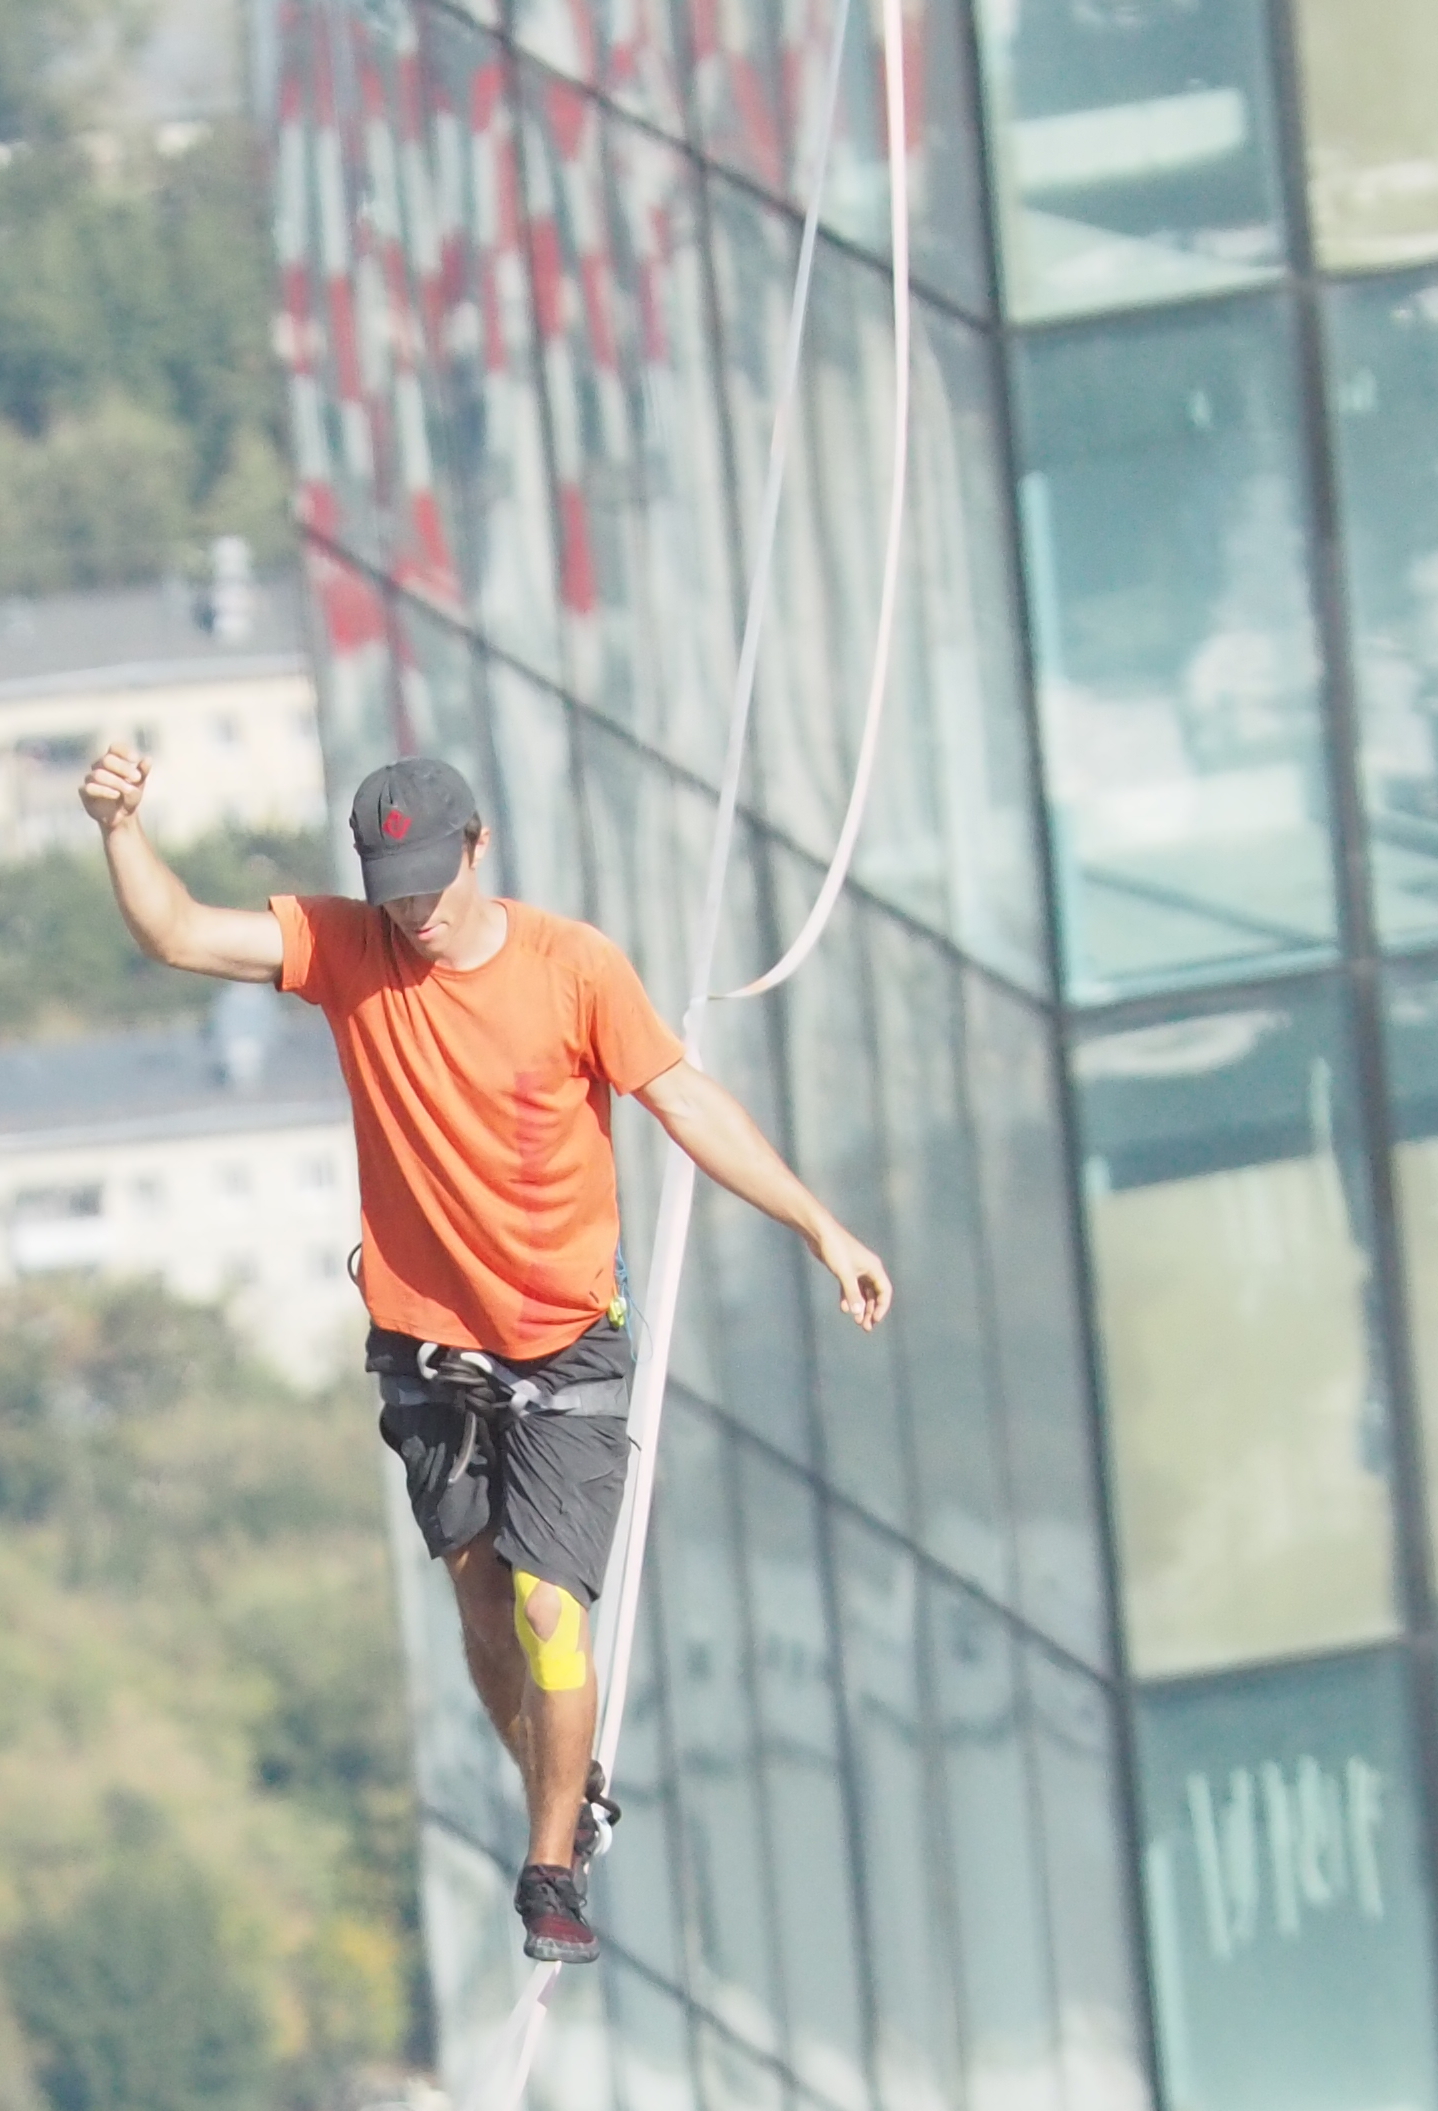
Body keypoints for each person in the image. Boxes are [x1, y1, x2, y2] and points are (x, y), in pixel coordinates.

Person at [82, 744, 891, 1968]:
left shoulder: (573, 969)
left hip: (564, 1348)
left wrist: (821, 1227)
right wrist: (120, 829)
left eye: (434, 882)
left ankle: (551, 1865)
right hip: (429, 1351)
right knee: (480, 1603)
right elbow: (180, 934)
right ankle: (567, 1774)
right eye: (394, 888)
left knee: (550, 1610)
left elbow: (686, 1103)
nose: (418, 912)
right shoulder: (348, 951)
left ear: (480, 848)